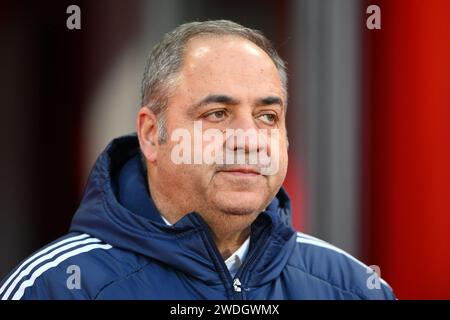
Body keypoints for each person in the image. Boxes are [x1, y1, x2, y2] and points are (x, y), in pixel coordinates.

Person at [0, 20, 395, 300]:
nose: (249, 140)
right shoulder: (57, 287)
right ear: (152, 135)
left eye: (267, 117)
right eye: (217, 114)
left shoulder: (353, 287)